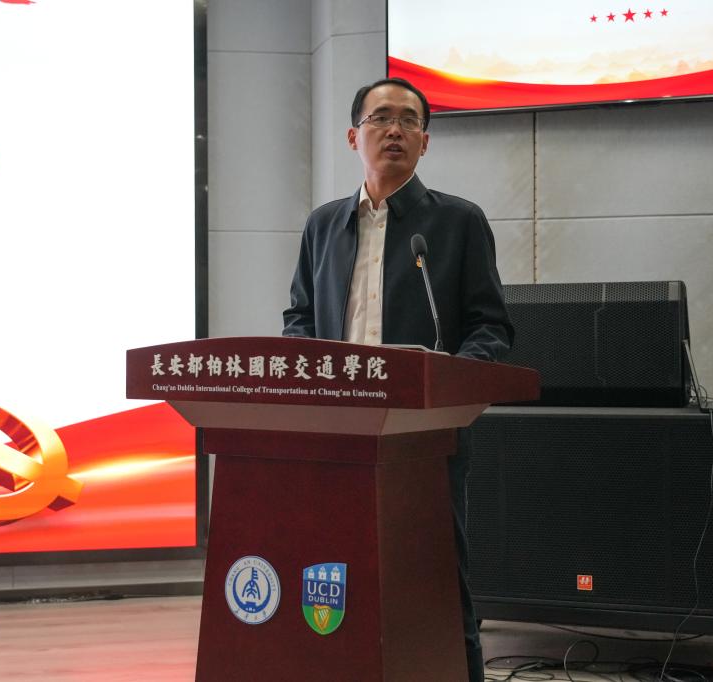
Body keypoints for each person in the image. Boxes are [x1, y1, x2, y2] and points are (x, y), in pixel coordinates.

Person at [282, 77, 513, 681]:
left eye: (409, 121)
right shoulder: (323, 225)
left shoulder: (458, 222)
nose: (395, 130)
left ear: (425, 141)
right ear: (353, 136)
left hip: (424, 439)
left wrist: (449, 385)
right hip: (336, 438)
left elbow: (490, 328)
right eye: (381, 118)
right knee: (335, 576)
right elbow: (299, 319)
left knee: (436, 581)